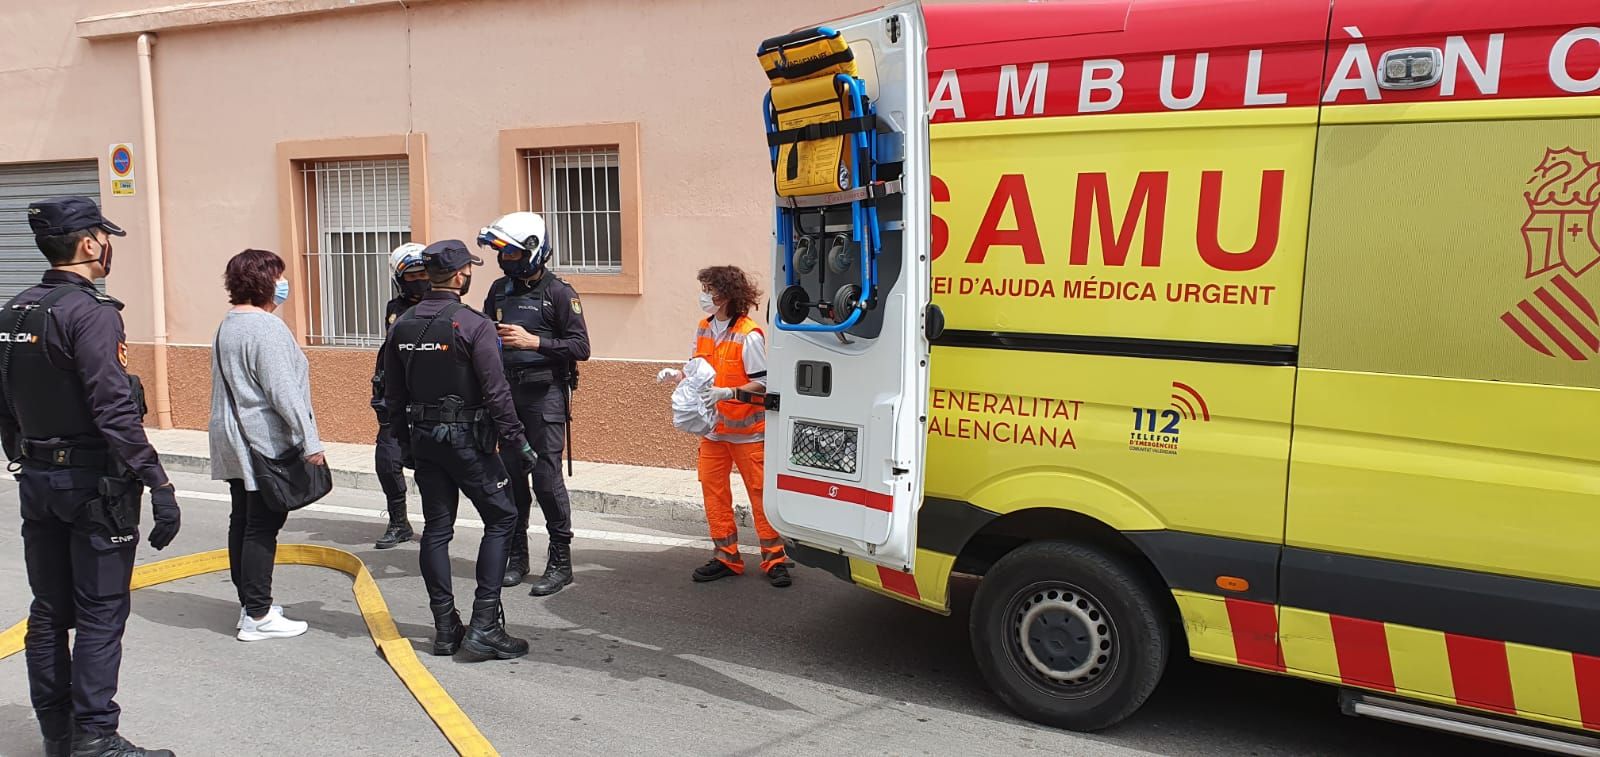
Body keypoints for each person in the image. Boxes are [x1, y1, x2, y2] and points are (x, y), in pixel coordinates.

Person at [0, 197, 182, 757]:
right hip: (93, 489)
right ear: (88, 244)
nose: (110, 247)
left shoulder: (13, 312)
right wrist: (158, 482)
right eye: (107, 237)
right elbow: (113, 409)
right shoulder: (92, 312)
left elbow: (5, 404)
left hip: (37, 480)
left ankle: (60, 736)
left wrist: (23, 456)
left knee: (50, 610)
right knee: (101, 612)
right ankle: (96, 736)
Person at [383, 239, 535, 661]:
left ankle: (446, 628)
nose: (470, 274)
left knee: (436, 529)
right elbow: (497, 392)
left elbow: (392, 396)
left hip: (425, 440)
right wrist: (519, 441)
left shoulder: (404, 323)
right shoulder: (473, 325)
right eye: (468, 269)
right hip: (468, 441)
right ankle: (484, 626)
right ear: (459, 276)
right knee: (503, 517)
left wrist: (404, 446)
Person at [209, 249, 326, 642]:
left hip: (232, 438)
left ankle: (250, 604)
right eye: (279, 276)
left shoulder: (229, 324)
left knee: (242, 520)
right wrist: (310, 440)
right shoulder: (266, 329)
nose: (284, 284)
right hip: (262, 441)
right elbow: (284, 392)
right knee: (262, 525)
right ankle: (257, 616)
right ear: (263, 282)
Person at [477, 212, 590, 596]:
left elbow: (581, 348)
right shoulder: (497, 290)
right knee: (511, 479)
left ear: (532, 250)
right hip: (507, 396)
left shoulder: (559, 293)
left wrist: (534, 342)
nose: (505, 260)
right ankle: (517, 555)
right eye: (501, 253)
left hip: (545, 396)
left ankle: (561, 561)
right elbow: (481, 334)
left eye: (511, 252)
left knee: (545, 478)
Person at [658, 266, 789, 587]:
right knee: (714, 493)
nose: (703, 296)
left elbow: (765, 383)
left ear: (726, 295)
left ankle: (775, 559)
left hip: (748, 434)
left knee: (759, 496)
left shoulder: (749, 334)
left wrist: (729, 392)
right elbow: (699, 370)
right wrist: (678, 375)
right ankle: (727, 557)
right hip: (713, 430)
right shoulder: (703, 328)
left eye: (709, 290)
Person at [370, 242, 430, 549]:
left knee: (430, 465)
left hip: (430, 397)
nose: (419, 280)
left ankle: (436, 523)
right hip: (395, 397)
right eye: (412, 275)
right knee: (387, 459)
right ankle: (398, 521)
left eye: (424, 273)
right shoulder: (394, 308)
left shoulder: (443, 305)